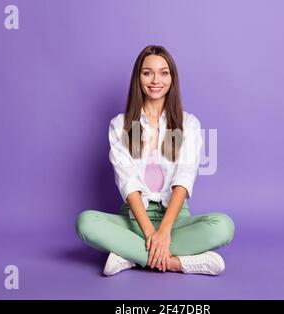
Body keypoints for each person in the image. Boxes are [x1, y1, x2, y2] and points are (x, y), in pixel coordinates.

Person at [76, 45, 235, 276]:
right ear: (138, 78)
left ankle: (129, 253)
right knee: (85, 222)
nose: (155, 80)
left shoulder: (187, 124)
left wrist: (165, 231)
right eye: (147, 72)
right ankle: (176, 263)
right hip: (134, 219)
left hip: (175, 218)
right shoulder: (120, 125)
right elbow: (128, 182)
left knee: (223, 226)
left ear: (172, 78)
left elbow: (184, 177)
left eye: (164, 72)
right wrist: (152, 234)